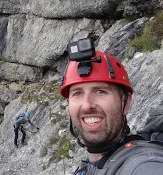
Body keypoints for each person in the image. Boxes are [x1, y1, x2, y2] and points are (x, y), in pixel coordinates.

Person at [60, 38, 163, 174]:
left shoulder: (145, 164)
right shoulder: (93, 165)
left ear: (125, 102)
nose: (86, 105)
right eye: (77, 93)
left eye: (100, 91)